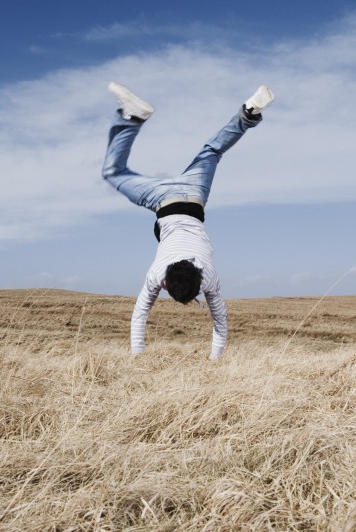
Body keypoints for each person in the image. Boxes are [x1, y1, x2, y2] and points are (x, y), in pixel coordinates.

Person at [102, 82, 274, 360]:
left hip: (195, 196)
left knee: (212, 151)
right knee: (113, 173)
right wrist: (137, 356)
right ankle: (131, 117)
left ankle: (248, 114)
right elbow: (139, 315)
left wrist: (214, 359)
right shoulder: (158, 273)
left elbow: (221, 324)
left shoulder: (210, 279)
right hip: (163, 201)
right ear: (167, 283)